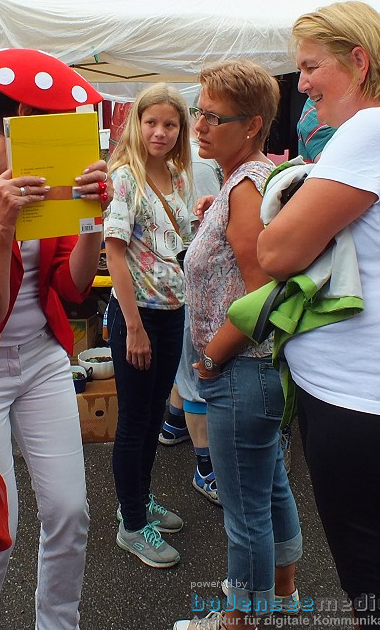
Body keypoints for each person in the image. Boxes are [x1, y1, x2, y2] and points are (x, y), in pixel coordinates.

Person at [257, 1, 380, 628]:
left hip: (359, 401)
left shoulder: (377, 130)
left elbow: (276, 251)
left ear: (360, 61)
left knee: (374, 580)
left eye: (311, 67)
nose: (302, 84)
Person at [0, 48, 108, 630]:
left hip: (40, 358)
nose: (64, 146)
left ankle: (58, 623)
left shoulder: (61, 176)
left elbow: (73, 286)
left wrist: (91, 221)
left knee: (70, 510)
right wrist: (1, 221)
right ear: (13, 121)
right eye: (51, 128)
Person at [173, 60, 302, 630]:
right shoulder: (242, 183)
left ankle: (240, 622)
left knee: (245, 513)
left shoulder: (246, 186)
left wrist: (211, 356)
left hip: (239, 370)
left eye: (211, 116)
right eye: (198, 112)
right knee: (270, 488)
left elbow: (262, 290)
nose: (197, 125)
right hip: (251, 373)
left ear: (251, 125)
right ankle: (282, 597)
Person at [105, 82, 194, 568]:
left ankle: (137, 499)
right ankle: (132, 524)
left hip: (171, 310)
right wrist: (134, 327)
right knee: (136, 421)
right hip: (137, 314)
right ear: (136, 125)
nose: (160, 132)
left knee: (155, 410)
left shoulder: (178, 177)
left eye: (170, 124)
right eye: (151, 122)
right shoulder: (125, 178)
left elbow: (176, 243)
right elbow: (114, 253)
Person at [159, 140, 223, 506]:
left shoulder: (176, 162)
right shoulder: (199, 163)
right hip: (188, 277)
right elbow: (207, 231)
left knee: (185, 360)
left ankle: (173, 421)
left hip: (171, 277)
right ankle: (205, 467)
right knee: (198, 366)